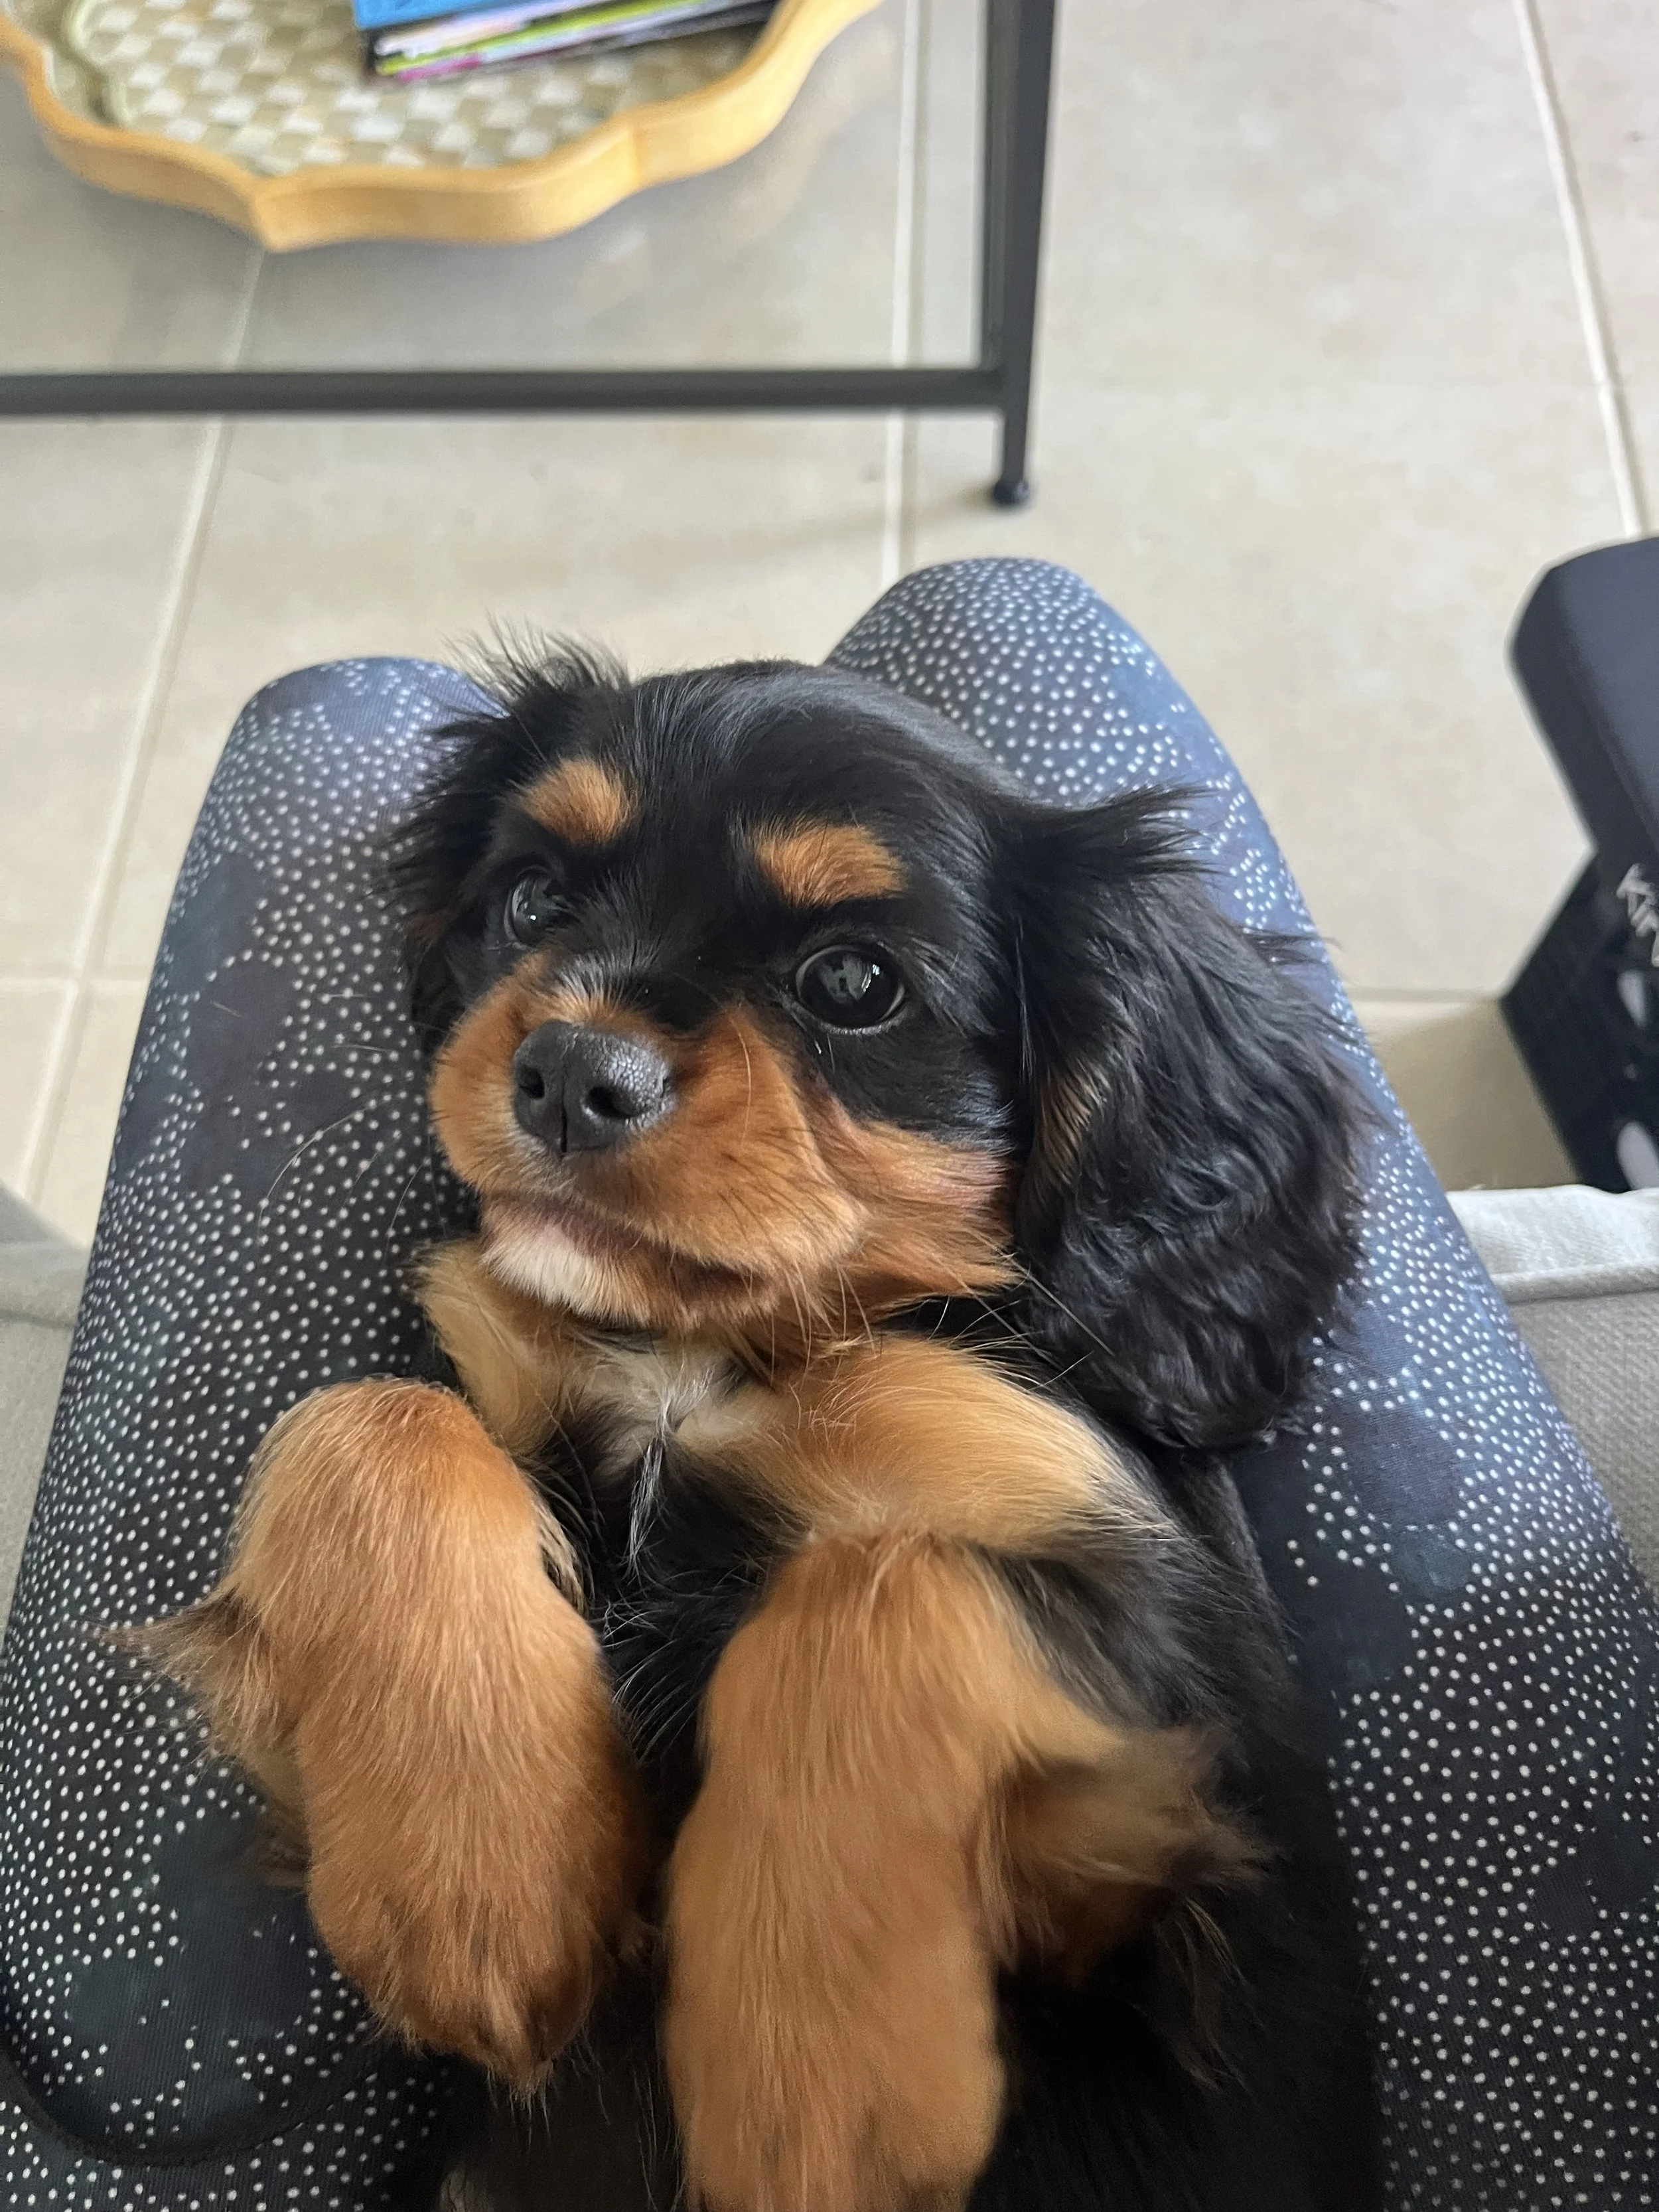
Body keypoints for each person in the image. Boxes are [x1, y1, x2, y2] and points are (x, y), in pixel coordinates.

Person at [1, 560, 1653, 2209]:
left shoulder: (958, 1404)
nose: (583, 1040)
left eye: (854, 983)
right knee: (360, 1444)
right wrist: (369, 1505)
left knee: (340, 730)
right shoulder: (487, 1358)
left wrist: (867, 1696)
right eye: (535, 904)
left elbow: (1124, 1785)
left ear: (1076, 1095)